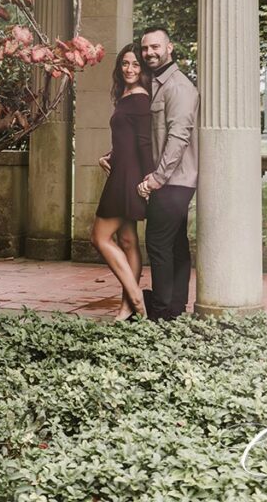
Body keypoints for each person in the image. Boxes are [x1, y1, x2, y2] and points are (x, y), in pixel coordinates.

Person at [137, 26, 199, 321]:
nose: (149, 52)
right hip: (172, 180)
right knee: (174, 244)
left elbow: (178, 137)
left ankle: (161, 314)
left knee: (158, 244)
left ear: (170, 48)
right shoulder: (157, 84)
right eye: (145, 48)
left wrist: (157, 178)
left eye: (155, 47)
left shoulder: (178, 86)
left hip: (174, 181)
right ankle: (175, 308)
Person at [91, 43, 153, 320]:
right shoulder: (127, 95)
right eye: (125, 64)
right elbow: (125, 141)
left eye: (136, 64)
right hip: (122, 170)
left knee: (99, 237)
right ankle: (126, 307)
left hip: (129, 177)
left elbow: (144, 144)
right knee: (127, 241)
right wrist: (110, 155)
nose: (129, 69)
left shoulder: (140, 100)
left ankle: (137, 300)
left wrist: (150, 179)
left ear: (144, 69)